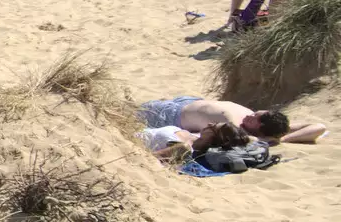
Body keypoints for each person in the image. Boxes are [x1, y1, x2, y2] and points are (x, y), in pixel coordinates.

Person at [137, 96, 326, 144]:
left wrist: (280, 139)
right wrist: (281, 138)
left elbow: (318, 129)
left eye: (254, 118)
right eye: (255, 112)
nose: (249, 115)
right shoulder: (247, 122)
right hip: (185, 103)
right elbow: (319, 126)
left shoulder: (235, 127)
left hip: (170, 115)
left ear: (259, 128)